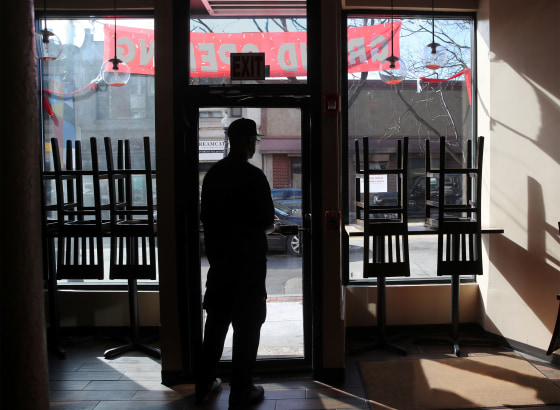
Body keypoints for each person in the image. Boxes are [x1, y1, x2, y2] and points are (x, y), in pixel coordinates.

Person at [196, 118, 275, 409]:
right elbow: (267, 221)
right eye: (254, 140)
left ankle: (203, 384)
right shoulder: (254, 177)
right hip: (250, 266)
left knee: (215, 326)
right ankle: (241, 390)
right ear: (247, 141)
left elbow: (205, 219)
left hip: (220, 265)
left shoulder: (213, 176)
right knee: (248, 327)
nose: (255, 145)